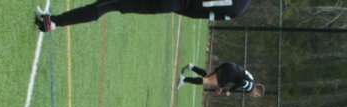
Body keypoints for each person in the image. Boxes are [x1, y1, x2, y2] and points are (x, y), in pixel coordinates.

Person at [35, 0, 250, 32]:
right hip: (171, 5)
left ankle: (54, 22)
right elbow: (197, 15)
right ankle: (54, 21)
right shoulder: (237, 11)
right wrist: (176, 7)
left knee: (109, 3)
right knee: (109, 3)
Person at [177, 62, 264, 97]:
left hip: (230, 65)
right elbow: (242, 82)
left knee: (207, 77)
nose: (254, 96)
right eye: (256, 95)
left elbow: (236, 78)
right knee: (208, 81)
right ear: (257, 90)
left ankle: (191, 67)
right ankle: (183, 79)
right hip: (230, 72)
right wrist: (230, 91)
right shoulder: (251, 87)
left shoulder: (252, 80)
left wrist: (221, 86)